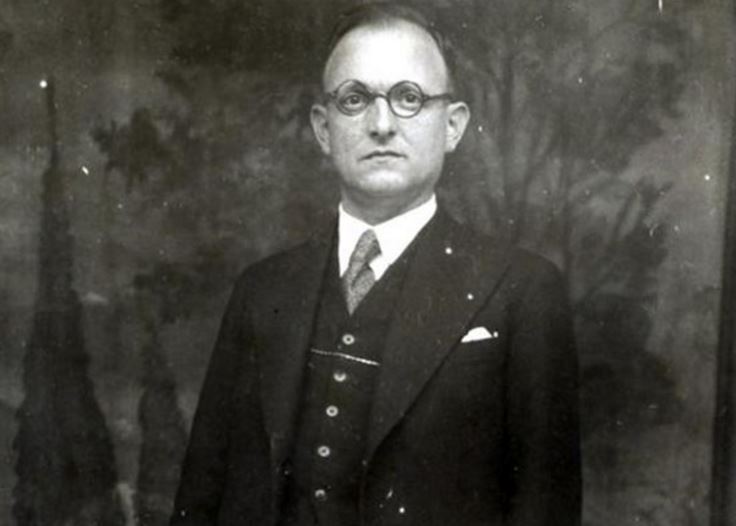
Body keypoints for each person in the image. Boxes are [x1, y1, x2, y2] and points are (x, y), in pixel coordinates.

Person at [171, 3, 581, 525]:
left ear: (453, 126)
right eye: (355, 99)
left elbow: (545, 508)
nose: (381, 124)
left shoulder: (524, 292)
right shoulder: (262, 290)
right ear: (323, 128)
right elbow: (201, 497)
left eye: (409, 98)